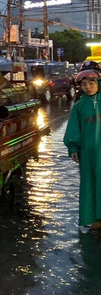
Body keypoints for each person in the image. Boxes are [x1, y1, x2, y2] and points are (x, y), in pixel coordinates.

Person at [64, 69, 101, 232]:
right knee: (90, 184)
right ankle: (94, 218)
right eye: (84, 85)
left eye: (91, 83)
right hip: (88, 154)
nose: (88, 87)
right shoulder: (79, 106)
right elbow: (73, 129)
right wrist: (73, 147)